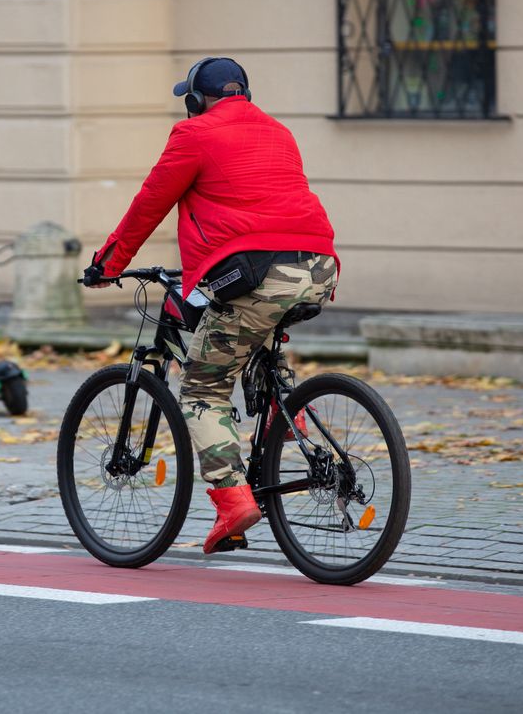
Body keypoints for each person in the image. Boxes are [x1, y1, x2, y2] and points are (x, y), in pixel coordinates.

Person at [84, 57, 338, 554]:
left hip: (257, 270)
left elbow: (149, 204)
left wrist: (108, 264)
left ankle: (231, 502)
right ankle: (285, 415)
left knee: (201, 386)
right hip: (318, 264)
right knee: (250, 330)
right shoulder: (279, 132)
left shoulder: (193, 134)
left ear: (196, 100)